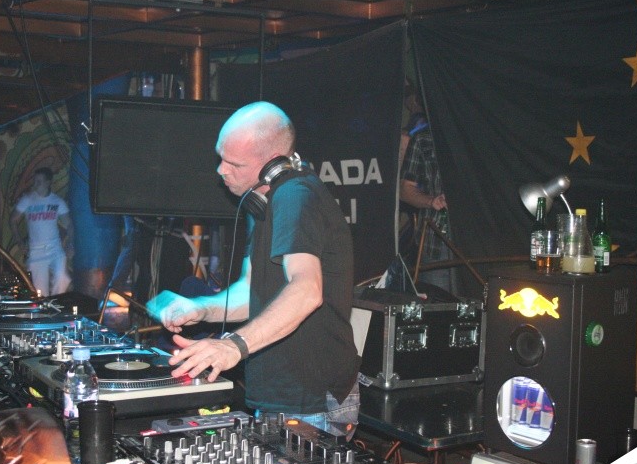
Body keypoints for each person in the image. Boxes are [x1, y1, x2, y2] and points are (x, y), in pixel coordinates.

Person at [146, 101, 360, 438]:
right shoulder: (262, 202)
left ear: (272, 165)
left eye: (234, 163)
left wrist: (232, 346)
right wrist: (200, 309)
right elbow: (252, 290)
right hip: (282, 395)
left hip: (309, 399)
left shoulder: (295, 196)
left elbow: (307, 291)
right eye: (220, 157)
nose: (221, 170)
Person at [398, 110, 456, 296]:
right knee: (438, 303)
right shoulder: (423, 139)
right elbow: (405, 190)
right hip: (437, 242)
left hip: (476, 242)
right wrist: (432, 201)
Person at [9, 166, 74, 297]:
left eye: (39, 182)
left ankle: (56, 301)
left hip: (55, 247)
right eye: (35, 181)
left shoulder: (57, 201)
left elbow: (69, 225)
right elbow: (13, 220)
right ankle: (44, 306)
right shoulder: (27, 200)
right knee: (40, 290)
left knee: (62, 277)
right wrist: (19, 241)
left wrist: (70, 244)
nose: (35, 184)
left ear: (48, 183)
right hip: (36, 250)